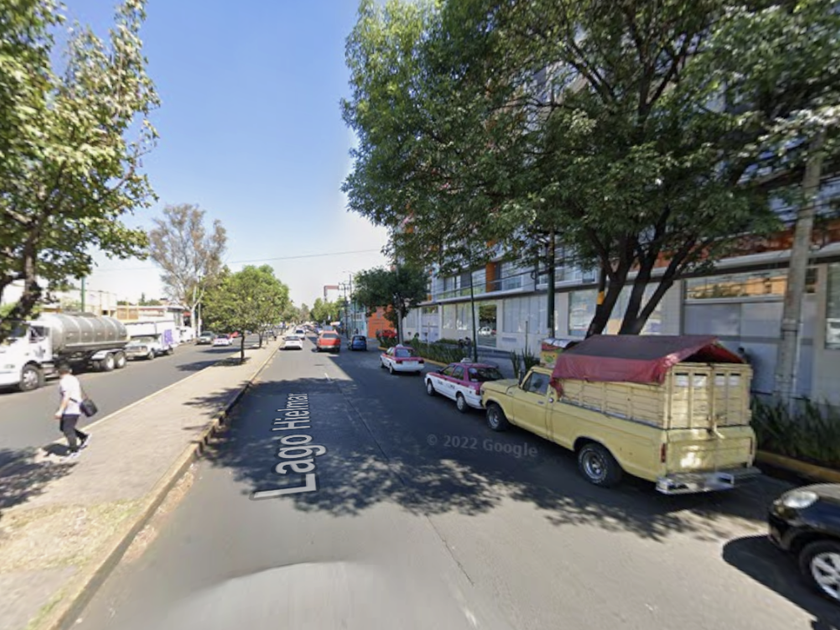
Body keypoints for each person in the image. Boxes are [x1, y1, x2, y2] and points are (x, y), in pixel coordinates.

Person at [54, 363, 89, 457]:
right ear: (70, 371)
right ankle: (83, 437)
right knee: (63, 427)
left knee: (67, 430)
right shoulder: (74, 379)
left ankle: (74, 450)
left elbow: (66, 396)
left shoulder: (64, 382)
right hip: (75, 407)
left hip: (70, 409)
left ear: (58, 372)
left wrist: (60, 410)